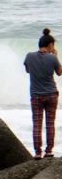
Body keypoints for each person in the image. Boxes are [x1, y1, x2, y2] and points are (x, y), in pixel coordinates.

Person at [24, 28, 62, 158]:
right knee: (50, 123)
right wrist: (55, 56)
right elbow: (60, 72)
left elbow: (28, 70)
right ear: (50, 45)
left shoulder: (29, 56)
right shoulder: (52, 58)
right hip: (51, 94)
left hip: (36, 95)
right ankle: (49, 151)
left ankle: (37, 153)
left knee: (37, 123)